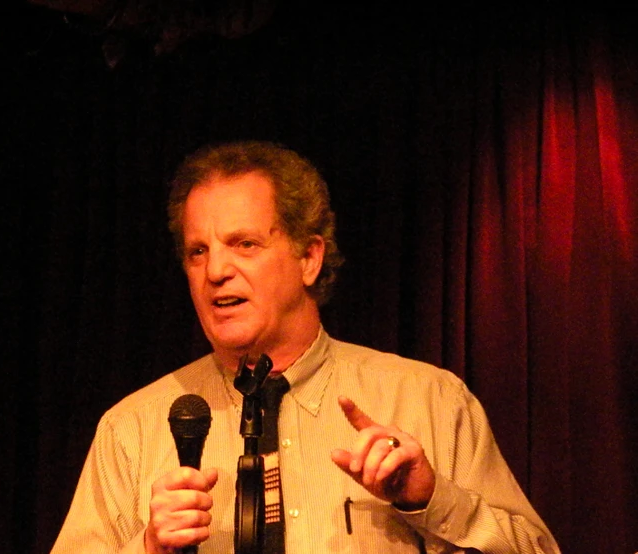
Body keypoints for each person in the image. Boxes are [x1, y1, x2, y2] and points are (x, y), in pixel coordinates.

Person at [51, 141, 561, 554]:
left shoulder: (429, 400)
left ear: (310, 258)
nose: (215, 271)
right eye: (197, 251)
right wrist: (146, 550)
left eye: (244, 243)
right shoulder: (131, 430)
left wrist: (431, 500)